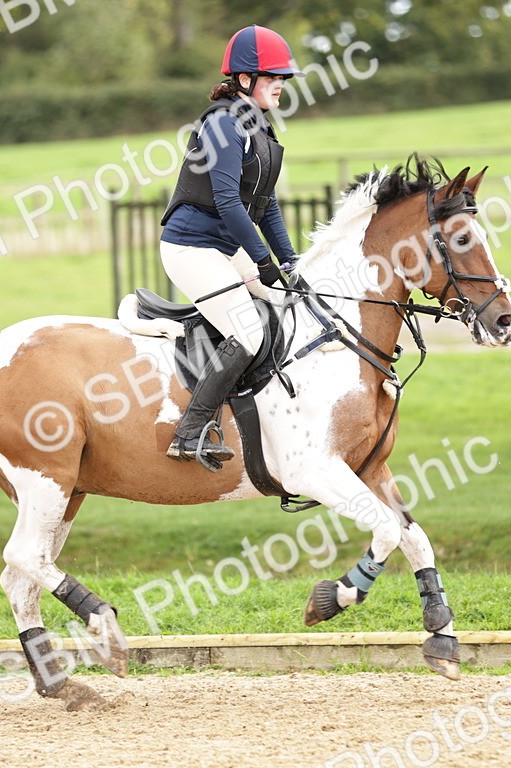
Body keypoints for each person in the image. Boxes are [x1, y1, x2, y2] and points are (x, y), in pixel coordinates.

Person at [160, 24, 301, 466]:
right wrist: (261, 260)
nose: (280, 84)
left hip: (222, 247)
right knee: (248, 331)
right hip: (190, 248)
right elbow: (226, 201)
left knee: (290, 305)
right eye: (272, 76)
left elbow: (266, 204)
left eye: (283, 77)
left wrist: (290, 262)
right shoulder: (224, 124)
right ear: (244, 79)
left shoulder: (259, 128)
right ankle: (190, 431)